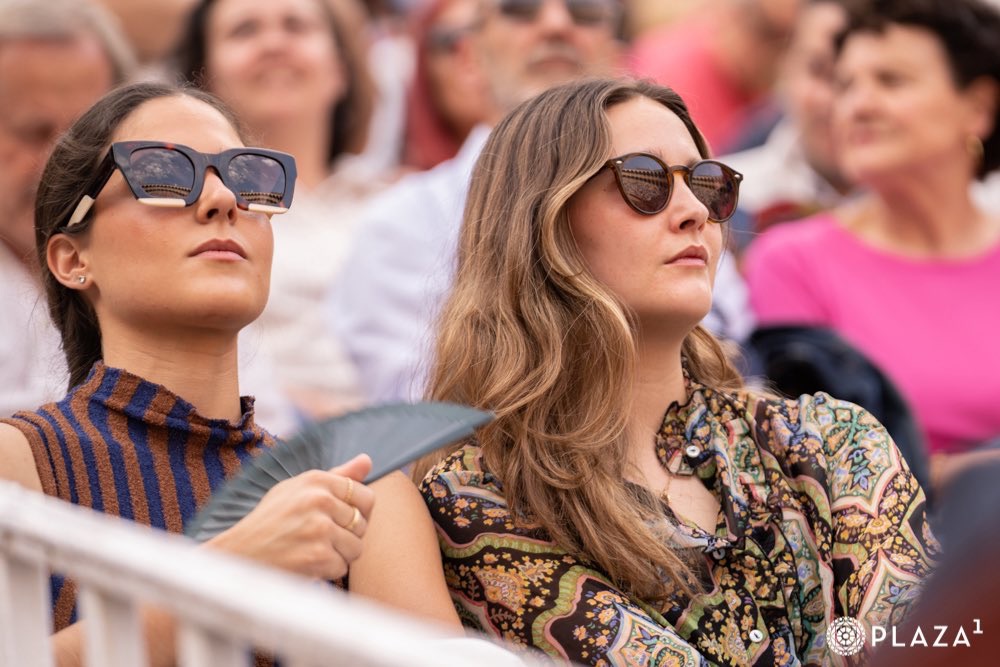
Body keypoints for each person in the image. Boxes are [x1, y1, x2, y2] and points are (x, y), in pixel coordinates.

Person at [416, 77, 937, 666]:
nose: (695, 213)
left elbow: (925, 647)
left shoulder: (830, 439)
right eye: (645, 181)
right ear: (543, 220)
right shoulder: (481, 498)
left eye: (709, 186)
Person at [0, 82, 459, 667]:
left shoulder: (360, 490)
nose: (222, 199)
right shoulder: (17, 463)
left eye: (249, 178)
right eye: (163, 173)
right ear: (72, 259)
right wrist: (235, 569)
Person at [744, 0, 1000, 495]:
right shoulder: (793, 260)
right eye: (846, 84)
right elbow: (816, 468)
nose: (855, 106)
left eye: (891, 81)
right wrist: (965, 476)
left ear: (980, 107)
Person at [176, 0, 380, 419]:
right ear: (204, 78)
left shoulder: (403, 200)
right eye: (244, 30)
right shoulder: (191, 211)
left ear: (341, 68)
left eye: (296, 26)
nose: (273, 43)